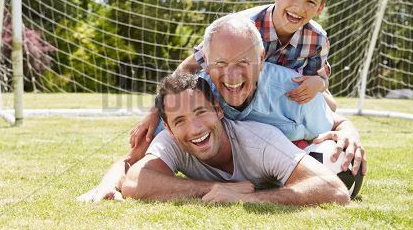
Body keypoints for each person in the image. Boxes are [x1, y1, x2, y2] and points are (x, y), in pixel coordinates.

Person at [78, 15, 365, 204]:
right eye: (220, 64)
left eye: (243, 62)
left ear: (262, 57)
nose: (231, 75)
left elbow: (336, 137)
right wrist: (109, 181)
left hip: (285, 152)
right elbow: (133, 166)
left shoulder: (292, 91)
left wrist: (348, 130)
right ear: (206, 63)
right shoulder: (195, 100)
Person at [81, 73, 350, 206]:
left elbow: (334, 190)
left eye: (201, 112)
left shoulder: (260, 139)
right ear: (169, 129)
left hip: (310, 133)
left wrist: (247, 199)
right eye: (180, 121)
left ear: (219, 110)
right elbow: (134, 182)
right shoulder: (172, 141)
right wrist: (212, 188)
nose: (195, 128)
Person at [178, 0, 337, 110]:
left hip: (274, 99)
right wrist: (158, 108)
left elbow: (319, 79)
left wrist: (320, 82)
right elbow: (188, 67)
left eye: (310, 1)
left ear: (320, 8)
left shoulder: (317, 39)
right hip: (229, 95)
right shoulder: (241, 28)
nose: (299, 7)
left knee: (331, 106)